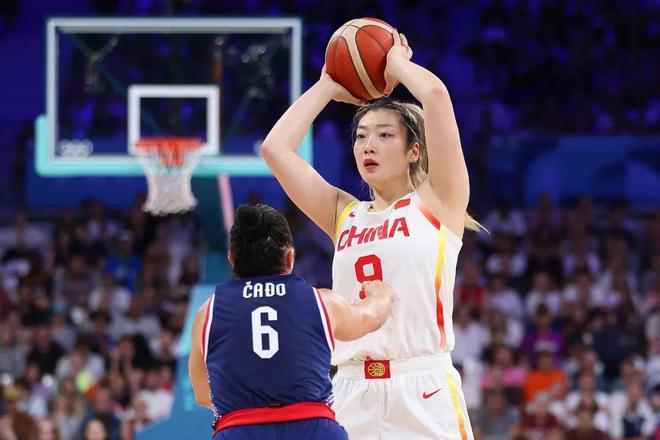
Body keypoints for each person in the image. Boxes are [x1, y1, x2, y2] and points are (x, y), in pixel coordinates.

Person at [262, 27, 479, 439]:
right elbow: (276, 149)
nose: (368, 146)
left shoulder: (439, 201)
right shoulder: (344, 213)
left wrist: (396, 63)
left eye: (384, 135)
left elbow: (435, 97)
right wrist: (327, 86)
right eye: (361, 136)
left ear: (414, 150)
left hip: (422, 385)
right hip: (350, 387)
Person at [188, 204, 395, 439]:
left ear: (232, 260)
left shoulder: (208, 313)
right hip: (313, 428)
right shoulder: (321, 301)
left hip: (240, 430)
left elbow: (203, 394)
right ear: (290, 257)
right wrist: (381, 293)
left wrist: (251, 404)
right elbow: (372, 316)